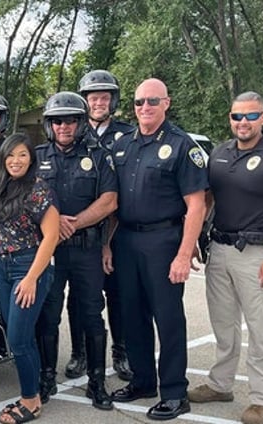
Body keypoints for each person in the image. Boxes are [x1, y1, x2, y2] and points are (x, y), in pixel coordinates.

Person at [187, 92, 263, 424]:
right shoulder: (219, 153)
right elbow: (206, 200)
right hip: (219, 250)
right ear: (230, 118)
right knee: (223, 325)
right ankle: (221, 384)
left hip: (257, 254)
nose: (243, 123)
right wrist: (194, 238)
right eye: (237, 116)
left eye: (251, 116)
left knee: (259, 329)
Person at [110, 78, 207, 421]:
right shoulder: (123, 145)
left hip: (163, 241)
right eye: (139, 102)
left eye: (152, 101)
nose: (145, 107)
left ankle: (175, 392)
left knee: (167, 319)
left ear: (166, 103)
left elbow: (196, 206)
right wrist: (108, 244)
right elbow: (113, 201)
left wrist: (183, 253)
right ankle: (143, 380)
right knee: (132, 315)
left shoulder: (182, 145)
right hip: (126, 240)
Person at [34, 92, 116, 410]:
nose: (63, 126)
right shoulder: (37, 155)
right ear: (48, 124)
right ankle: (45, 379)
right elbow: (26, 198)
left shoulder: (99, 155)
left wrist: (74, 223)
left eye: (70, 120)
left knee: (92, 316)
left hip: (87, 251)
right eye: (57, 120)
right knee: (47, 315)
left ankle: (96, 383)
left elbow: (110, 200)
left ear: (81, 123)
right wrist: (54, 225)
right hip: (49, 252)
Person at [0, 133, 59, 424]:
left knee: (19, 339)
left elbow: (51, 237)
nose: (16, 160)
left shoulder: (38, 189)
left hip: (28, 267)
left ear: (31, 159)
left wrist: (30, 279)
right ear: (3, 158)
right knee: (18, 336)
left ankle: (30, 400)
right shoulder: (1, 187)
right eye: (10, 155)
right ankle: (34, 392)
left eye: (22, 155)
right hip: (2, 268)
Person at [73, 69, 136, 382]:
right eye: (93, 98)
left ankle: (120, 351)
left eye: (104, 97)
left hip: (117, 228)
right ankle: (79, 353)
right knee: (80, 297)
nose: (98, 103)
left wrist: (108, 239)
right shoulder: (72, 132)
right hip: (81, 231)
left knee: (117, 293)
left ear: (113, 100)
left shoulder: (128, 134)